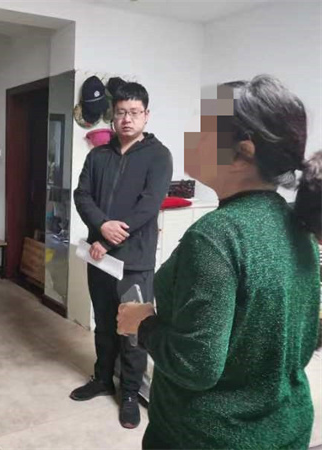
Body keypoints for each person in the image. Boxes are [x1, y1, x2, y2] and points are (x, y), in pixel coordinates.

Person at [117, 75, 321, 449]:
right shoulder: (299, 226)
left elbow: (195, 366)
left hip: (206, 437)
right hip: (286, 428)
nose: (190, 137)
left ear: (242, 152)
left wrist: (142, 324)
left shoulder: (216, 236)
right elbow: (304, 341)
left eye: (202, 130)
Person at [71, 81, 173, 429]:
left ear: (146, 115)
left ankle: (129, 393)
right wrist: (102, 227)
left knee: (132, 330)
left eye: (134, 112)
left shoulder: (158, 156)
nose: (127, 119)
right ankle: (103, 378)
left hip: (135, 263)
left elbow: (149, 205)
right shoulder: (98, 155)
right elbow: (82, 195)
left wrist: (109, 239)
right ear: (112, 117)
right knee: (103, 323)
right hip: (99, 258)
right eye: (120, 113)